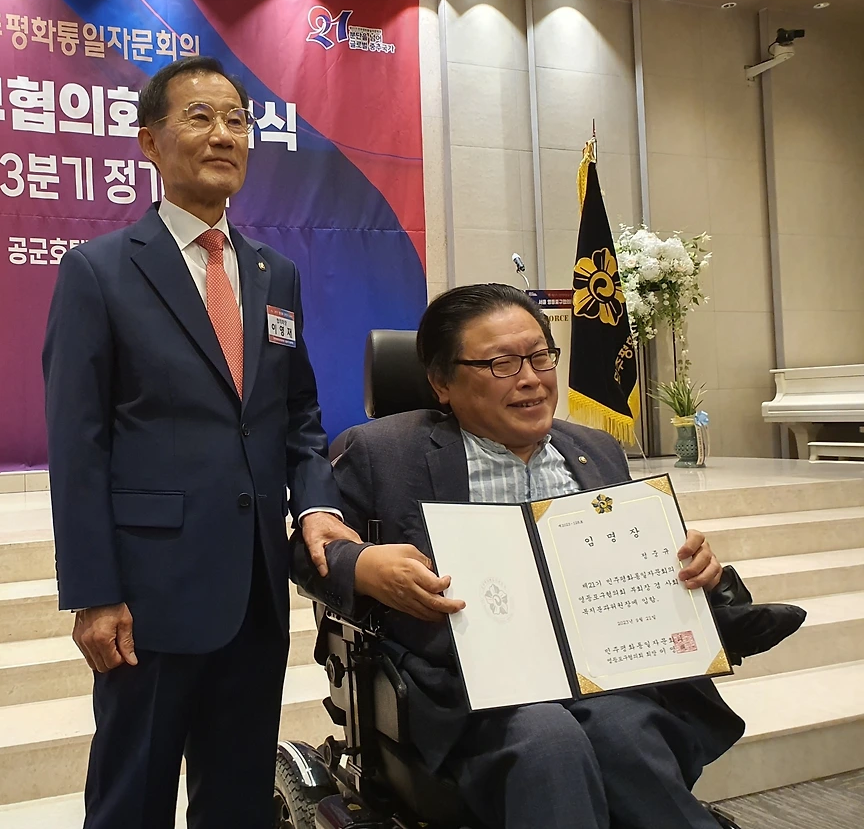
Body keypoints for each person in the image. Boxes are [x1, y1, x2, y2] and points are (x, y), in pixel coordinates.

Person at [294, 283, 747, 829]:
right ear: (441, 382)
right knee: (547, 742)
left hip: (600, 672)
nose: (531, 378)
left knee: (626, 735)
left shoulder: (595, 450)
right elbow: (307, 550)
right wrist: (364, 566)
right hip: (468, 689)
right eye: (502, 364)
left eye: (539, 356)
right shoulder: (383, 453)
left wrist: (697, 571)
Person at [42, 56, 359, 829]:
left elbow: (298, 413)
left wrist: (317, 505)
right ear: (150, 142)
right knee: (132, 800)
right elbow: (79, 446)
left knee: (238, 800)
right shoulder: (99, 272)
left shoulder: (275, 273)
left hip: (254, 590)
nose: (224, 135)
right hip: (149, 597)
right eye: (200, 117)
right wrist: (93, 593)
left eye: (237, 121)